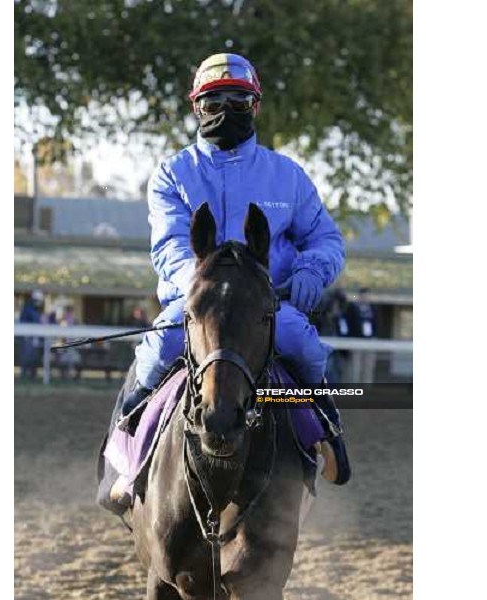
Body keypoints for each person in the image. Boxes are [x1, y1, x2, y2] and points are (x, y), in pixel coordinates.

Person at [103, 53, 351, 511]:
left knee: (306, 345)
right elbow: (170, 246)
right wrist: (207, 285)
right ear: (197, 107)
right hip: (197, 302)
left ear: (254, 106)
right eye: (214, 100)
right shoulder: (172, 174)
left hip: (268, 306)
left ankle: (328, 434)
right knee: (156, 350)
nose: (226, 110)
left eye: (238, 100)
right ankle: (125, 454)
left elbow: (326, 239)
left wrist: (312, 271)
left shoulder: (288, 176)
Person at [346, 287, 378, 382]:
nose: (366, 298)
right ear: (360, 296)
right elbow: (349, 322)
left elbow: (376, 322)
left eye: (368, 296)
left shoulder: (373, 308)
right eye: (364, 296)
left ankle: (367, 387)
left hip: (370, 339)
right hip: (357, 339)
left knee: (369, 364)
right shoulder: (353, 307)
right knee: (356, 364)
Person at [19, 289, 45, 380]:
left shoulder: (36, 310)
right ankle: (24, 376)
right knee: (26, 356)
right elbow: (24, 322)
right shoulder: (28, 308)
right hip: (28, 337)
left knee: (34, 357)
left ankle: (32, 376)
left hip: (35, 337)